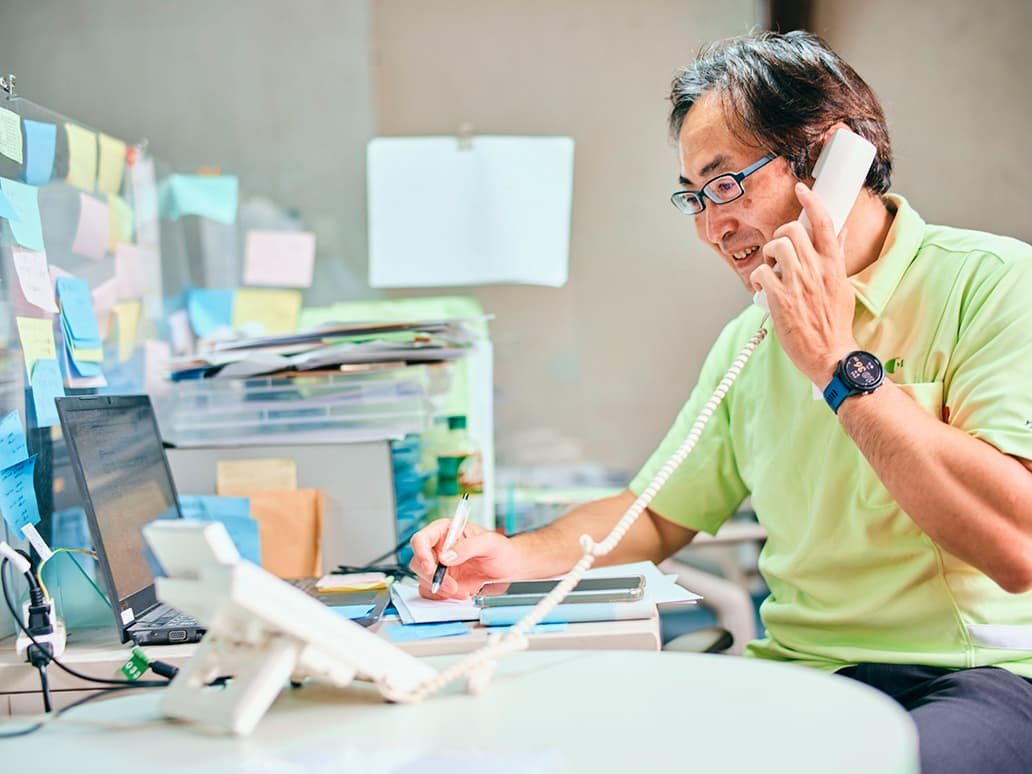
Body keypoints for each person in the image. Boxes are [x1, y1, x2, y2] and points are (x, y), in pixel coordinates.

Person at [408, 31, 1032, 773]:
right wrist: (512, 556)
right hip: (806, 674)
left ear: (831, 157)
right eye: (695, 198)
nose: (712, 229)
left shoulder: (993, 284)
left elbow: (1015, 547)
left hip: (971, 679)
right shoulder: (750, 337)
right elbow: (657, 512)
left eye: (728, 183)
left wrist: (836, 363)